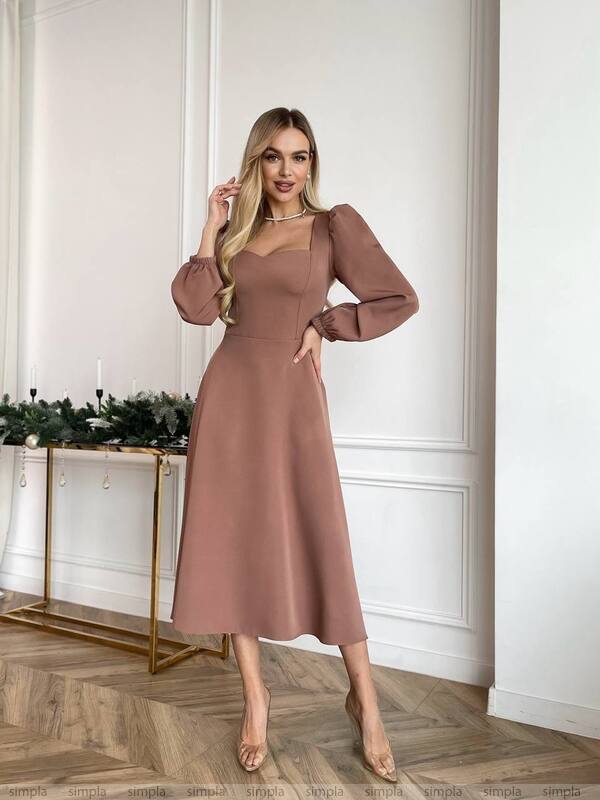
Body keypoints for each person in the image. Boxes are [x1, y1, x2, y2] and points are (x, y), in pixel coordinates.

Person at [169, 107, 419, 780]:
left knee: (323, 539)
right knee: (232, 542)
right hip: (231, 398)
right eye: (274, 156)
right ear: (256, 162)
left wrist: (327, 324)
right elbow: (196, 308)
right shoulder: (237, 232)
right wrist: (209, 228)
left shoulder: (333, 225)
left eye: (300, 156)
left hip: (293, 398)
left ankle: (366, 704)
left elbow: (399, 296)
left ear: (313, 162)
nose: (287, 170)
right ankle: (255, 697)